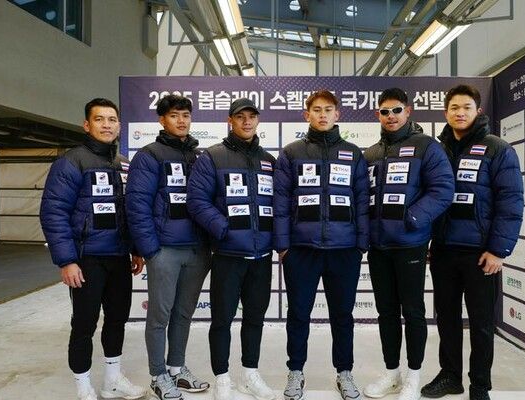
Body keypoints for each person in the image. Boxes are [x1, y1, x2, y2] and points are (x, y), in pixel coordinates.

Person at [421, 85, 523, 400]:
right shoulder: (436, 151)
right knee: (447, 319)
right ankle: (450, 376)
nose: (460, 113)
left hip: (481, 254)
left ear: (477, 111)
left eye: (466, 107)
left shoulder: (498, 149)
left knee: (481, 323)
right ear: (446, 112)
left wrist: (498, 250)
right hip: (442, 251)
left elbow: (511, 201)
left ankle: (480, 385)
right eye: (454, 107)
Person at [40, 98, 146, 400]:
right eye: (99, 119)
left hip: (119, 257)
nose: (106, 125)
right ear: (87, 125)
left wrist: (135, 249)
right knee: (84, 324)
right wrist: (67, 260)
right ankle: (83, 386)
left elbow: (129, 211)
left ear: (119, 126)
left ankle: (112, 381)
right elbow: (53, 212)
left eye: (112, 120)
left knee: (117, 320)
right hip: (86, 259)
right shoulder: (71, 162)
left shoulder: (123, 163)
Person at [273, 89, 369, 400]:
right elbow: (280, 201)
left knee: (343, 315)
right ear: (307, 115)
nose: (323, 114)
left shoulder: (353, 153)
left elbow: (362, 201)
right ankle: (295, 371)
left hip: (344, 250)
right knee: (298, 314)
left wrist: (360, 244)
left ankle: (344, 372)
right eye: (317, 109)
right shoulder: (291, 153)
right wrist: (283, 245)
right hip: (302, 249)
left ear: (337, 114)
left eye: (328, 109)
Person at [362, 88, 454, 400]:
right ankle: (392, 373)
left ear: (408, 111)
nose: (391, 116)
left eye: (396, 110)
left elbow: (443, 189)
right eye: (385, 111)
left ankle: (414, 376)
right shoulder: (370, 154)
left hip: (410, 245)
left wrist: (412, 218)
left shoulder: (427, 146)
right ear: (378, 114)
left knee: (413, 312)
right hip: (378, 247)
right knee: (386, 313)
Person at [188, 98, 276, 400]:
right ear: (230, 121)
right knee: (222, 320)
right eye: (240, 117)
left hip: (261, 257)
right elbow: (197, 200)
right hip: (228, 256)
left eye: (252, 116)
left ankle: (250, 374)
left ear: (257, 120)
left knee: (255, 318)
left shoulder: (268, 160)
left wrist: (275, 240)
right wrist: (224, 230)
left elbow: (278, 203)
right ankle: (222, 378)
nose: (247, 121)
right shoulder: (212, 157)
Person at [125, 95, 210, 400]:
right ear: (162, 120)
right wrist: (151, 250)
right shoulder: (149, 156)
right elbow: (137, 205)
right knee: (160, 316)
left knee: (184, 313)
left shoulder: (200, 156)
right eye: (174, 115)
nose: (181, 121)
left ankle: (177, 368)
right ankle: (158, 374)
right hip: (165, 250)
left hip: (197, 251)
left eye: (185, 115)